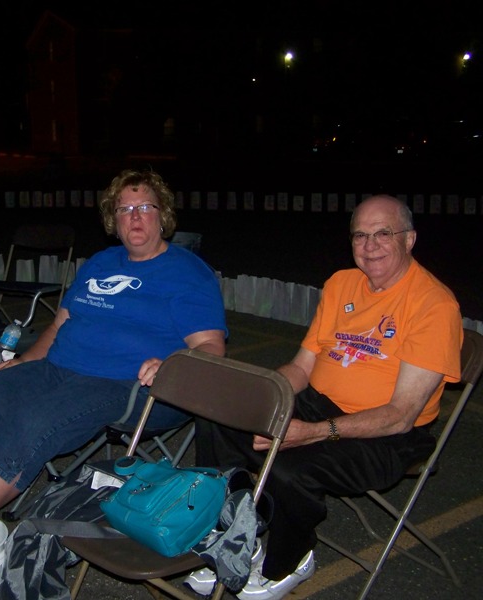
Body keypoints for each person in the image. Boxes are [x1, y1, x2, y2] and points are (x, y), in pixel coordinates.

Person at [185, 194, 463, 599]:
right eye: (360, 236)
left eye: (383, 234)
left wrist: (311, 432)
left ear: (409, 239)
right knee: (219, 417)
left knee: (289, 467)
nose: (370, 246)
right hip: (318, 404)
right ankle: (235, 536)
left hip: (388, 435)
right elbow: (301, 369)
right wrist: (255, 395)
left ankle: (290, 559)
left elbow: (401, 414)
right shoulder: (341, 284)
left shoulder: (433, 305)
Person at [0, 169, 227, 514]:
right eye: (125, 209)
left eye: (145, 207)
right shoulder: (100, 263)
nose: (135, 217)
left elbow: (210, 347)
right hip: (58, 369)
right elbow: (59, 325)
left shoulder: (188, 272)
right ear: (114, 220)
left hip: (131, 386)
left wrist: (173, 365)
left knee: (35, 419)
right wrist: (24, 362)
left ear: (163, 216)